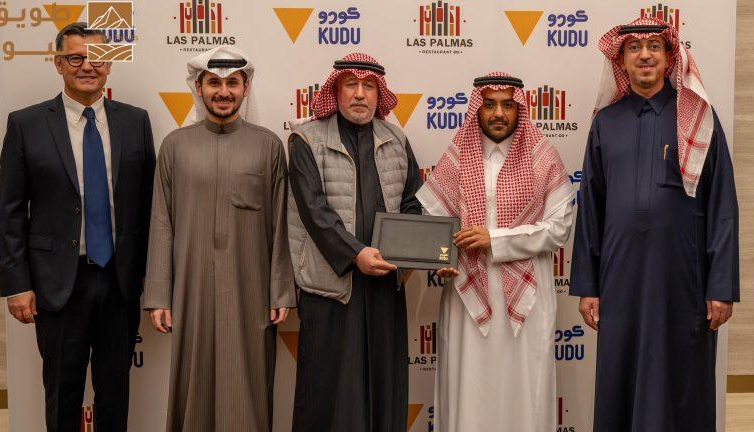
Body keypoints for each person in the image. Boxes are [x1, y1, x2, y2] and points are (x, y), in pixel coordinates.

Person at [570, 17, 739, 431]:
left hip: (683, 280)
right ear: (621, 60)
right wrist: (588, 286)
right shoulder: (606, 123)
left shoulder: (698, 118)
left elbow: (722, 205)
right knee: (620, 377)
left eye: (654, 47)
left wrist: (720, 286)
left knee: (682, 378)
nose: (644, 55)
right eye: (634, 48)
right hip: (620, 279)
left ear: (669, 57)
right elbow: (591, 208)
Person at [0, 22, 155, 431]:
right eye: (76, 58)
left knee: (115, 392)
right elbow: (11, 211)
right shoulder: (26, 124)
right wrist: (17, 284)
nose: (87, 66)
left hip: (120, 282)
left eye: (97, 58)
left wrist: (152, 276)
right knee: (61, 393)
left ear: (110, 65)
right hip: (57, 284)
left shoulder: (135, 121)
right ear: (58, 64)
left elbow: (148, 207)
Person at [142, 46, 296, 432]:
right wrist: (159, 294)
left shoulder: (268, 146)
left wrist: (280, 291)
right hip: (190, 287)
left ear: (246, 88)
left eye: (232, 83)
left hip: (251, 288)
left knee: (249, 379)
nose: (223, 92)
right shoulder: (174, 146)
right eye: (214, 83)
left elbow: (281, 224)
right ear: (199, 88)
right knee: (193, 378)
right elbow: (161, 223)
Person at [417, 72, 574, 431]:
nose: (498, 113)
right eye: (489, 104)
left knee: (525, 389)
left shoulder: (543, 158)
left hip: (528, 297)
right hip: (466, 293)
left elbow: (559, 229)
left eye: (507, 105)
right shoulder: (458, 158)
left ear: (520, 108)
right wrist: (442, 259)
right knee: (470, 387)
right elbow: (435, 223)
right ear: (478, 108)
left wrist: (496, 239)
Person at [288, 53, 422, 432]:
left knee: (383, 390)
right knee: (329, 395)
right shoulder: (306, 139)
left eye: (368, 86)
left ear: (380, 94)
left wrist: (408, 253)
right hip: (330, 288)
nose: (360, 94)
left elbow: (412, 202)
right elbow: (314, 212)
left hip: (384, 286)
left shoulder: (397, 139)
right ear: (336, 91)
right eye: (351, 85)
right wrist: (356, 253)